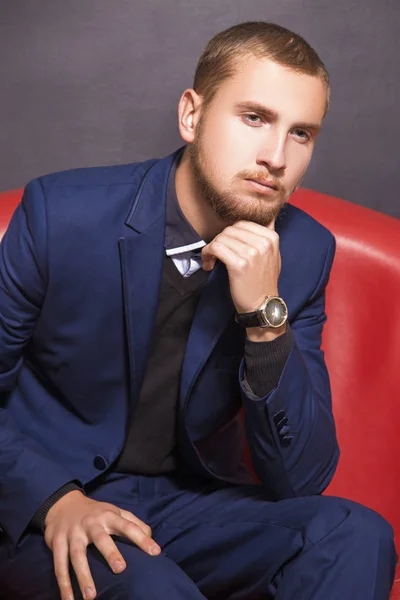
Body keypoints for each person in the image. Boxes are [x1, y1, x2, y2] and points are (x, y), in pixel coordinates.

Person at [0, 21, 396, 600]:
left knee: (355, 533)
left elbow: (302, 477)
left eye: (302, 133)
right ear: (192, 115)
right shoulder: (61, 215)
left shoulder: (304, 252)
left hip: (191, 506)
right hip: (50, 501)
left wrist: (266, 318)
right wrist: (53, 498)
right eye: (255, 118)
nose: (275, 157)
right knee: (145, 584)